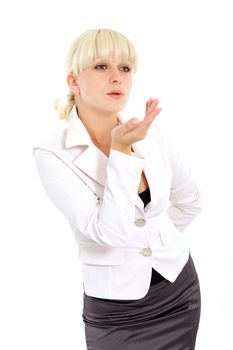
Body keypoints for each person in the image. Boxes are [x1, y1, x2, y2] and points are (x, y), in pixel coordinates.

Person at [33, 28, 202, 350]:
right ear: (73, 81)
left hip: (178, 288)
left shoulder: (150, 134)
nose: (117, 78)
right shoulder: (52, 153)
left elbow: (191, 201)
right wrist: (121, 152)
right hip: (116, 309)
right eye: (101, 67)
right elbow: (109, 234)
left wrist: (156, 242)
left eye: (124, 68)